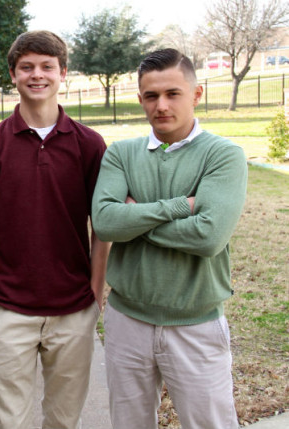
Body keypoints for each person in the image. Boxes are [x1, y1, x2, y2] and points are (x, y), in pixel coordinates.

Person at [91, 48, 247, 429]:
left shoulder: (223, 155)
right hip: (127, 320)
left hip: (195, 323)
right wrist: (179, 207)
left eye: (173, 93)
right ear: (141, 98)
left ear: (196, 94)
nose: (161, 105)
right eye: (150, 95)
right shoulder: (122, 155)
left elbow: (209, 236)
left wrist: (136, 216)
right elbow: (107, 224)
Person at [0, 30, 110, 428]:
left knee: (63, 421)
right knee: (7, 422)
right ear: (12, 74)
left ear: (63, 73)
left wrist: (96, 294)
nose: (37, 75)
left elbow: (101, 228)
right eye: (27, 67)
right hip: (8, 310)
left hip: (74, 309)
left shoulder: (89, 144)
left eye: (47, 66)